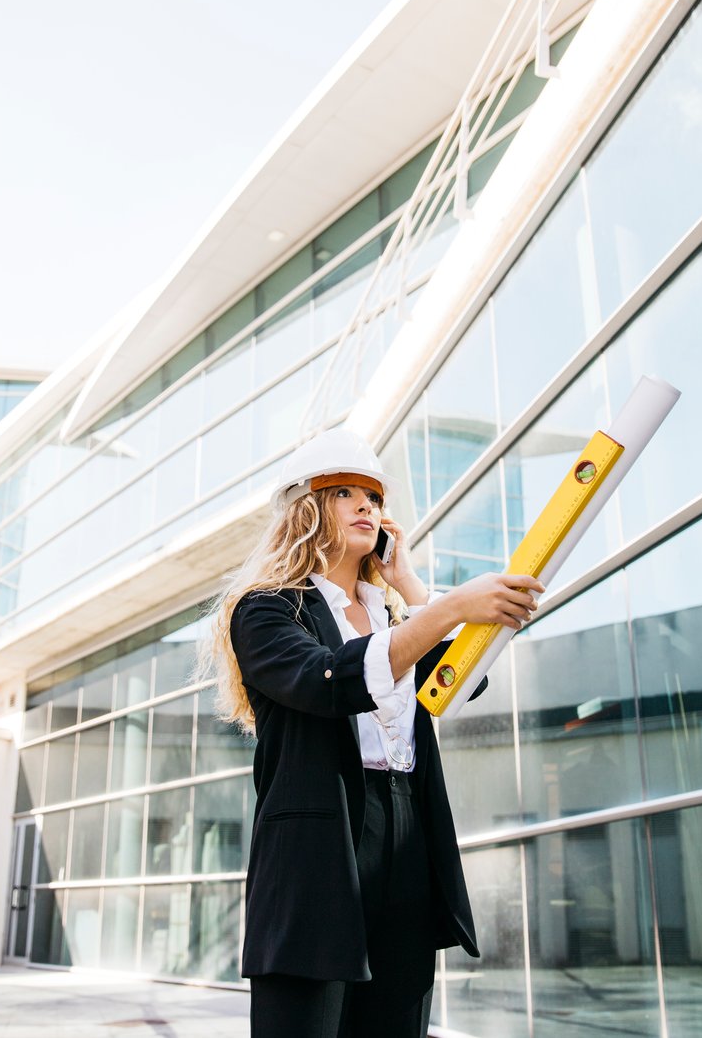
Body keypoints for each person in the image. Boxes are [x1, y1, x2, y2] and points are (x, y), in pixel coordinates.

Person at [198, 428, 543, 1038]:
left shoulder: (394, 613)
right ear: (307, 508)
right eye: (346, 493)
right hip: (318, 851)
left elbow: (466, 685)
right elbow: (325, 681)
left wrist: (411, 588)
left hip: (408, 832)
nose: (367, 506)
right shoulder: (267, 608)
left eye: (375, 497)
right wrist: (451, 608)